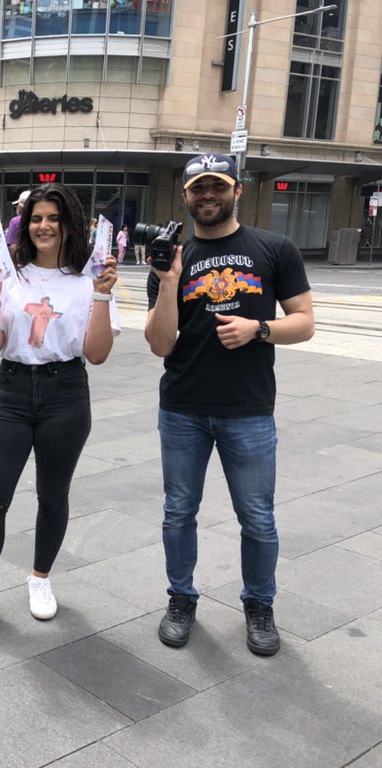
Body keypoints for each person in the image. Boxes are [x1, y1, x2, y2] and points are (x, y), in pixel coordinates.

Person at [145, 152, 315, 656]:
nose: (208, 195)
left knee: (257, 516)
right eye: (198, 187)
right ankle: (181, 599)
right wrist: (169, 280)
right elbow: (160, 343)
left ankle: (259, 605)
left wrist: (258, 329)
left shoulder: (274, 249)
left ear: (237, 190)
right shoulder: (170, 257)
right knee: (179, 512)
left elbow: (304, 322)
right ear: (185, 195)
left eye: (217, 186)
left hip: (249, 409)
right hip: (183, 407)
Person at [0, 184, 120, 636]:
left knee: (53, 496)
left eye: (53, 217)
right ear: (25, 224)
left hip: (65, 392)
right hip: (11, 392)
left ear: (69, 223)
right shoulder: (6, 273)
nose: (44, 226)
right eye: (36, 218)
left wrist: (103, 296)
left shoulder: (90, 280)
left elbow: (97, 354)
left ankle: (40, 578)